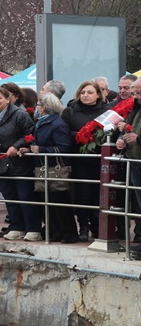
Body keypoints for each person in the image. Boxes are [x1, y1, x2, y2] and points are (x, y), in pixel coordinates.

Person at [0, 86, 41, 241]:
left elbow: (29, 134)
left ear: (7, 99)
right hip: (0, 163)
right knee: (10, 198)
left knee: (25, 197)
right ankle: (17, 226)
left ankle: (33, 228)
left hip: (19, 162)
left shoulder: (19, 115)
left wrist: (16, 146)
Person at [26, 92, 78, 243]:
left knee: (59, 202)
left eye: (38, 106)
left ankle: (68, 233)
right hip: (43, 167)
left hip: (55, 168)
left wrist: (40, 149)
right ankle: (54, 231)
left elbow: (64, 147)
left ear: (44, 108)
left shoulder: (57, 124)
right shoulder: (40, 123)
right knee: (47, 203)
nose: (36, 108)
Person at [60, 80, 109, 242]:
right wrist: (81, 135)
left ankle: (97, 226)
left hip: (101, 159)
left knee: (99, 194)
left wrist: (96, 136)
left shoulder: (106, 110)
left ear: (98, 95)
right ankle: (83, 226)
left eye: (89, 92)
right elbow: (64, 133)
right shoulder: (70, 111)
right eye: (83, 93)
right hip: (79, 159)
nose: (86, 95)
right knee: (82, 193)